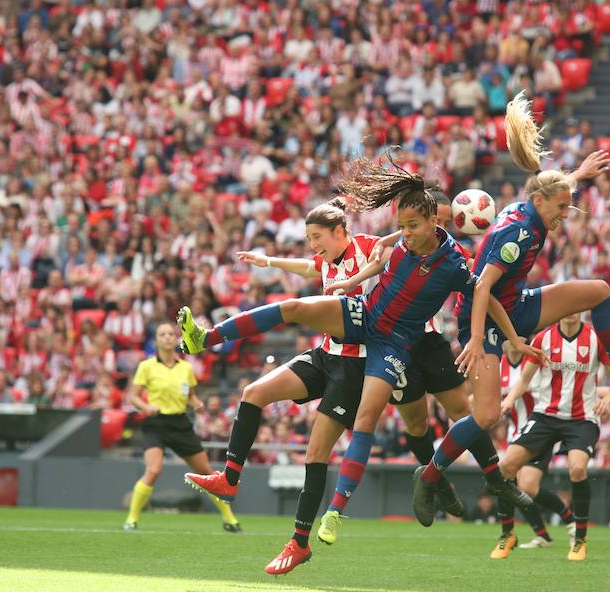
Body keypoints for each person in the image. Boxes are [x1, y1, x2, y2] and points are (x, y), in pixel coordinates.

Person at [177, 156, 542, 571]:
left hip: (393, 345)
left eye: (412, 226)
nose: (405, 234)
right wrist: (348, 282)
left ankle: (346, 509)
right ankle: (206, 337)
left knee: (382, 420)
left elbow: (485, 295)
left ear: (432, 220)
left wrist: (510, 338)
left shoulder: (454, 262)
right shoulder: (400, 240)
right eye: (400, 226)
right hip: (363, 315)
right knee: (294, 307)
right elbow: (369, 258)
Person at [411, 92, 610, 527]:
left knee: (600, 291)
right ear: (542, 204)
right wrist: (479, 339)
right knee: (487, 415)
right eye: (562, 207)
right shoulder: (516, 233)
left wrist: (580, 173)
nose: (565, 214)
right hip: (486, 316)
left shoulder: (535, 205)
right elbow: (481, 288)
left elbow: (549, 188)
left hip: (517, 307)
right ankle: (430, 475)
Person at [492, 312, 610, 561]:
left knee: (577, 469)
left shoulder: (595, 340)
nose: (571, 310)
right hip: (545, 416)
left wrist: (608, 400)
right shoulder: (543, 338)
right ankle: (508, 533)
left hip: (582, 419)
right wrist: (508, 400)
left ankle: (580, 539)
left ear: (583, 309)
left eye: (577, 305)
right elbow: (525, 379)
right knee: (506, 466)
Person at [123, 322, 240, 534]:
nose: (167, 337)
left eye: (170, 334)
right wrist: (146, 406)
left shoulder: (186, 368)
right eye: (162, 334)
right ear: (156, 341)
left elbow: (190, 395)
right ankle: (132, 519)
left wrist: (195, 403)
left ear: (175, 339)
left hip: (180, 423)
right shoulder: (146, 366)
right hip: (156, 422)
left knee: (206, 472)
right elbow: (133, 396)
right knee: (154, 470)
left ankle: (230, 519)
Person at [496, 338, 577, 553]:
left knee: (527, 486)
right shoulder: (499, 365)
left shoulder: (534, 362)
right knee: (516, 487)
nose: (512, 341)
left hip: (539, 432)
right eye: (507, 336)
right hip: (515, 435)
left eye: (518, 335)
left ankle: (568, 517)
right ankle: (542, 535)